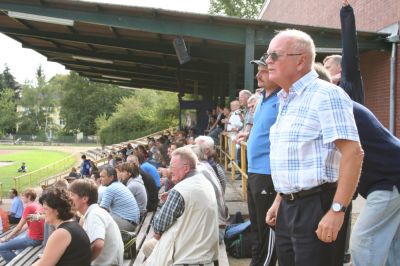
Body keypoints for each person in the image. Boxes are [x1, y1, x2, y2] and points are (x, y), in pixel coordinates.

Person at [265, 29, 364, 266]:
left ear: (301, 61)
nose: (268, 60)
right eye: (266, 55)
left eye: (274, 55)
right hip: (289, 208)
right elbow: (296, 158)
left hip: (318, 205)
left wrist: (337, 210)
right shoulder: (285, 99)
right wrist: (280, 200)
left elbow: (353, 153)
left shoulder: (326, 95)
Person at [238, 54, 280, 266]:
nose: (258, 75)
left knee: (267, 230)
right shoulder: (263, 98)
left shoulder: (282, 98)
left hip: (269, 173)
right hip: (255, 171)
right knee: (255, 227)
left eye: (263, 71)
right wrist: (249, 134)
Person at [145, 147, 219, 265]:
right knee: (148, 247)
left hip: (186, 255)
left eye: (172, 167)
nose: (169, 170)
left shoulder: (180, 190)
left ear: (185, 168)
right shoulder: (204, 181)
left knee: (147, 251)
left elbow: (158, 225)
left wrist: (168, 200)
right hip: (205, 250)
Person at [69, 179, 124, 266]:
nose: (69, 198)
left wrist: (84, 262)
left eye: (72, 195)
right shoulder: (93, 212)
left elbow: (98, 244)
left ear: (84, 198)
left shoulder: (94, 215)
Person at [32, 187, 91, 266]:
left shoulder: (61, 233)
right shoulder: (72, 225)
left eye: (45, 209)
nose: (43, 212)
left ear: (57, 211)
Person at [0, 188, 45, 263]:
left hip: (34, 239)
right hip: (38, 237)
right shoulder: (37, 205)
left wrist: (6, 238)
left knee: (1, 247)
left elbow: (18, 227)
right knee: (15, 240)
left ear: (29, 197)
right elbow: (26, 226)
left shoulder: (29, 207)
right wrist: (13, 235)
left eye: (24, 196)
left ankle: (16, 263)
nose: (22, 198)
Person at [99, 165, 140, 231]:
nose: (100, 179)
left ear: (111, 177)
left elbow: (101, 211)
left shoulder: (109, 189)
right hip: (132, 222)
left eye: (103, 177)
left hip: (127, 223)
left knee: (100, 225)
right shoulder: (118, 184)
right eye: (100, 176)